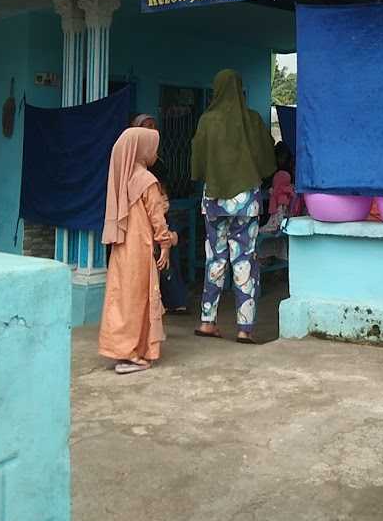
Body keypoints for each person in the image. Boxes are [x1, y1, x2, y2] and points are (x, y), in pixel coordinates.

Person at [191, 69, 276, 344]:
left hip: (214, 199)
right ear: (240, 91)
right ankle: (244, 328)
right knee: (245, 260)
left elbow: (198, 162)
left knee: (214, 259)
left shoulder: (207, 121)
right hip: (247, 201)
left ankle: (207, 321)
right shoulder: (251, 119)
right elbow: (267, 159)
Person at [98, 127, 178, 374]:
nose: (155, 151)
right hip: (140, 247)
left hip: (121, 249)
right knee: (138, 298)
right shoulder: (146, 180)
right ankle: (133, 354)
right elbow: (157, 218)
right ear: (142, 149)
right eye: (152, 146)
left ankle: (120, 348)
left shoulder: (123, 178)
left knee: (122, 297)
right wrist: (165, 243)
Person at [130, 113, 189, 314]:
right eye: (146, 126)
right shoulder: (131, 166)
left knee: (170, 255)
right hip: (144, 221)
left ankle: (174, 300)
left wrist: (162, 203)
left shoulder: (157, 161)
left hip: (160, 213)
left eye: (154, 126)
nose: (151, 130)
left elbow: (162, 190)